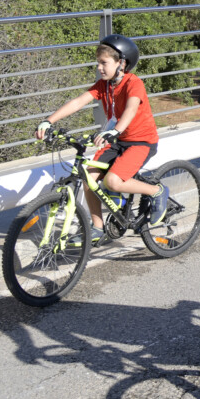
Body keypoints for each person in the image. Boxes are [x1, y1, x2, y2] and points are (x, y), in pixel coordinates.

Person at [36, 34, 166, 244]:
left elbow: (131, 108)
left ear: (121, 63)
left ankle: (157, 191)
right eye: (98, 62)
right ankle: (97, 226)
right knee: (88, 177)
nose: (99, 67)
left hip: (141, 141)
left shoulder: (134, 83)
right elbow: (78, 102)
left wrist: (116, 130)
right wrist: (48, 121)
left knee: (112, 181)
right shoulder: (103, 85)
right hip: (117, 141)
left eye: (104, 63)